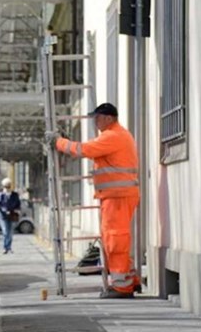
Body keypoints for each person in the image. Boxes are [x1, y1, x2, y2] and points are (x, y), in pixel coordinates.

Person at [51, 103, 140, 299]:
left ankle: (121, 286)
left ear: (109, 118)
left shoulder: (113, 136)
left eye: (98, 117)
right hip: (117, 195)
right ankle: (129, 280)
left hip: (117, 196)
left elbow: (84, 150)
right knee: (119, 238)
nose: (95, 121)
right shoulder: (117, 135)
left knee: (115, 239)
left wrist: (59, 142)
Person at [0, 178, 21, 254]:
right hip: (3, 216)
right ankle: (6, 247)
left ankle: (9, 247)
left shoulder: (15, 195)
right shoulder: (1, 195)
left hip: (12, 215)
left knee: (10, 232)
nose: (7, 188)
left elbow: (18, 204)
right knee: (5, 232)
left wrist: (16, 210)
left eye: (8, 186)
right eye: (6, 186)